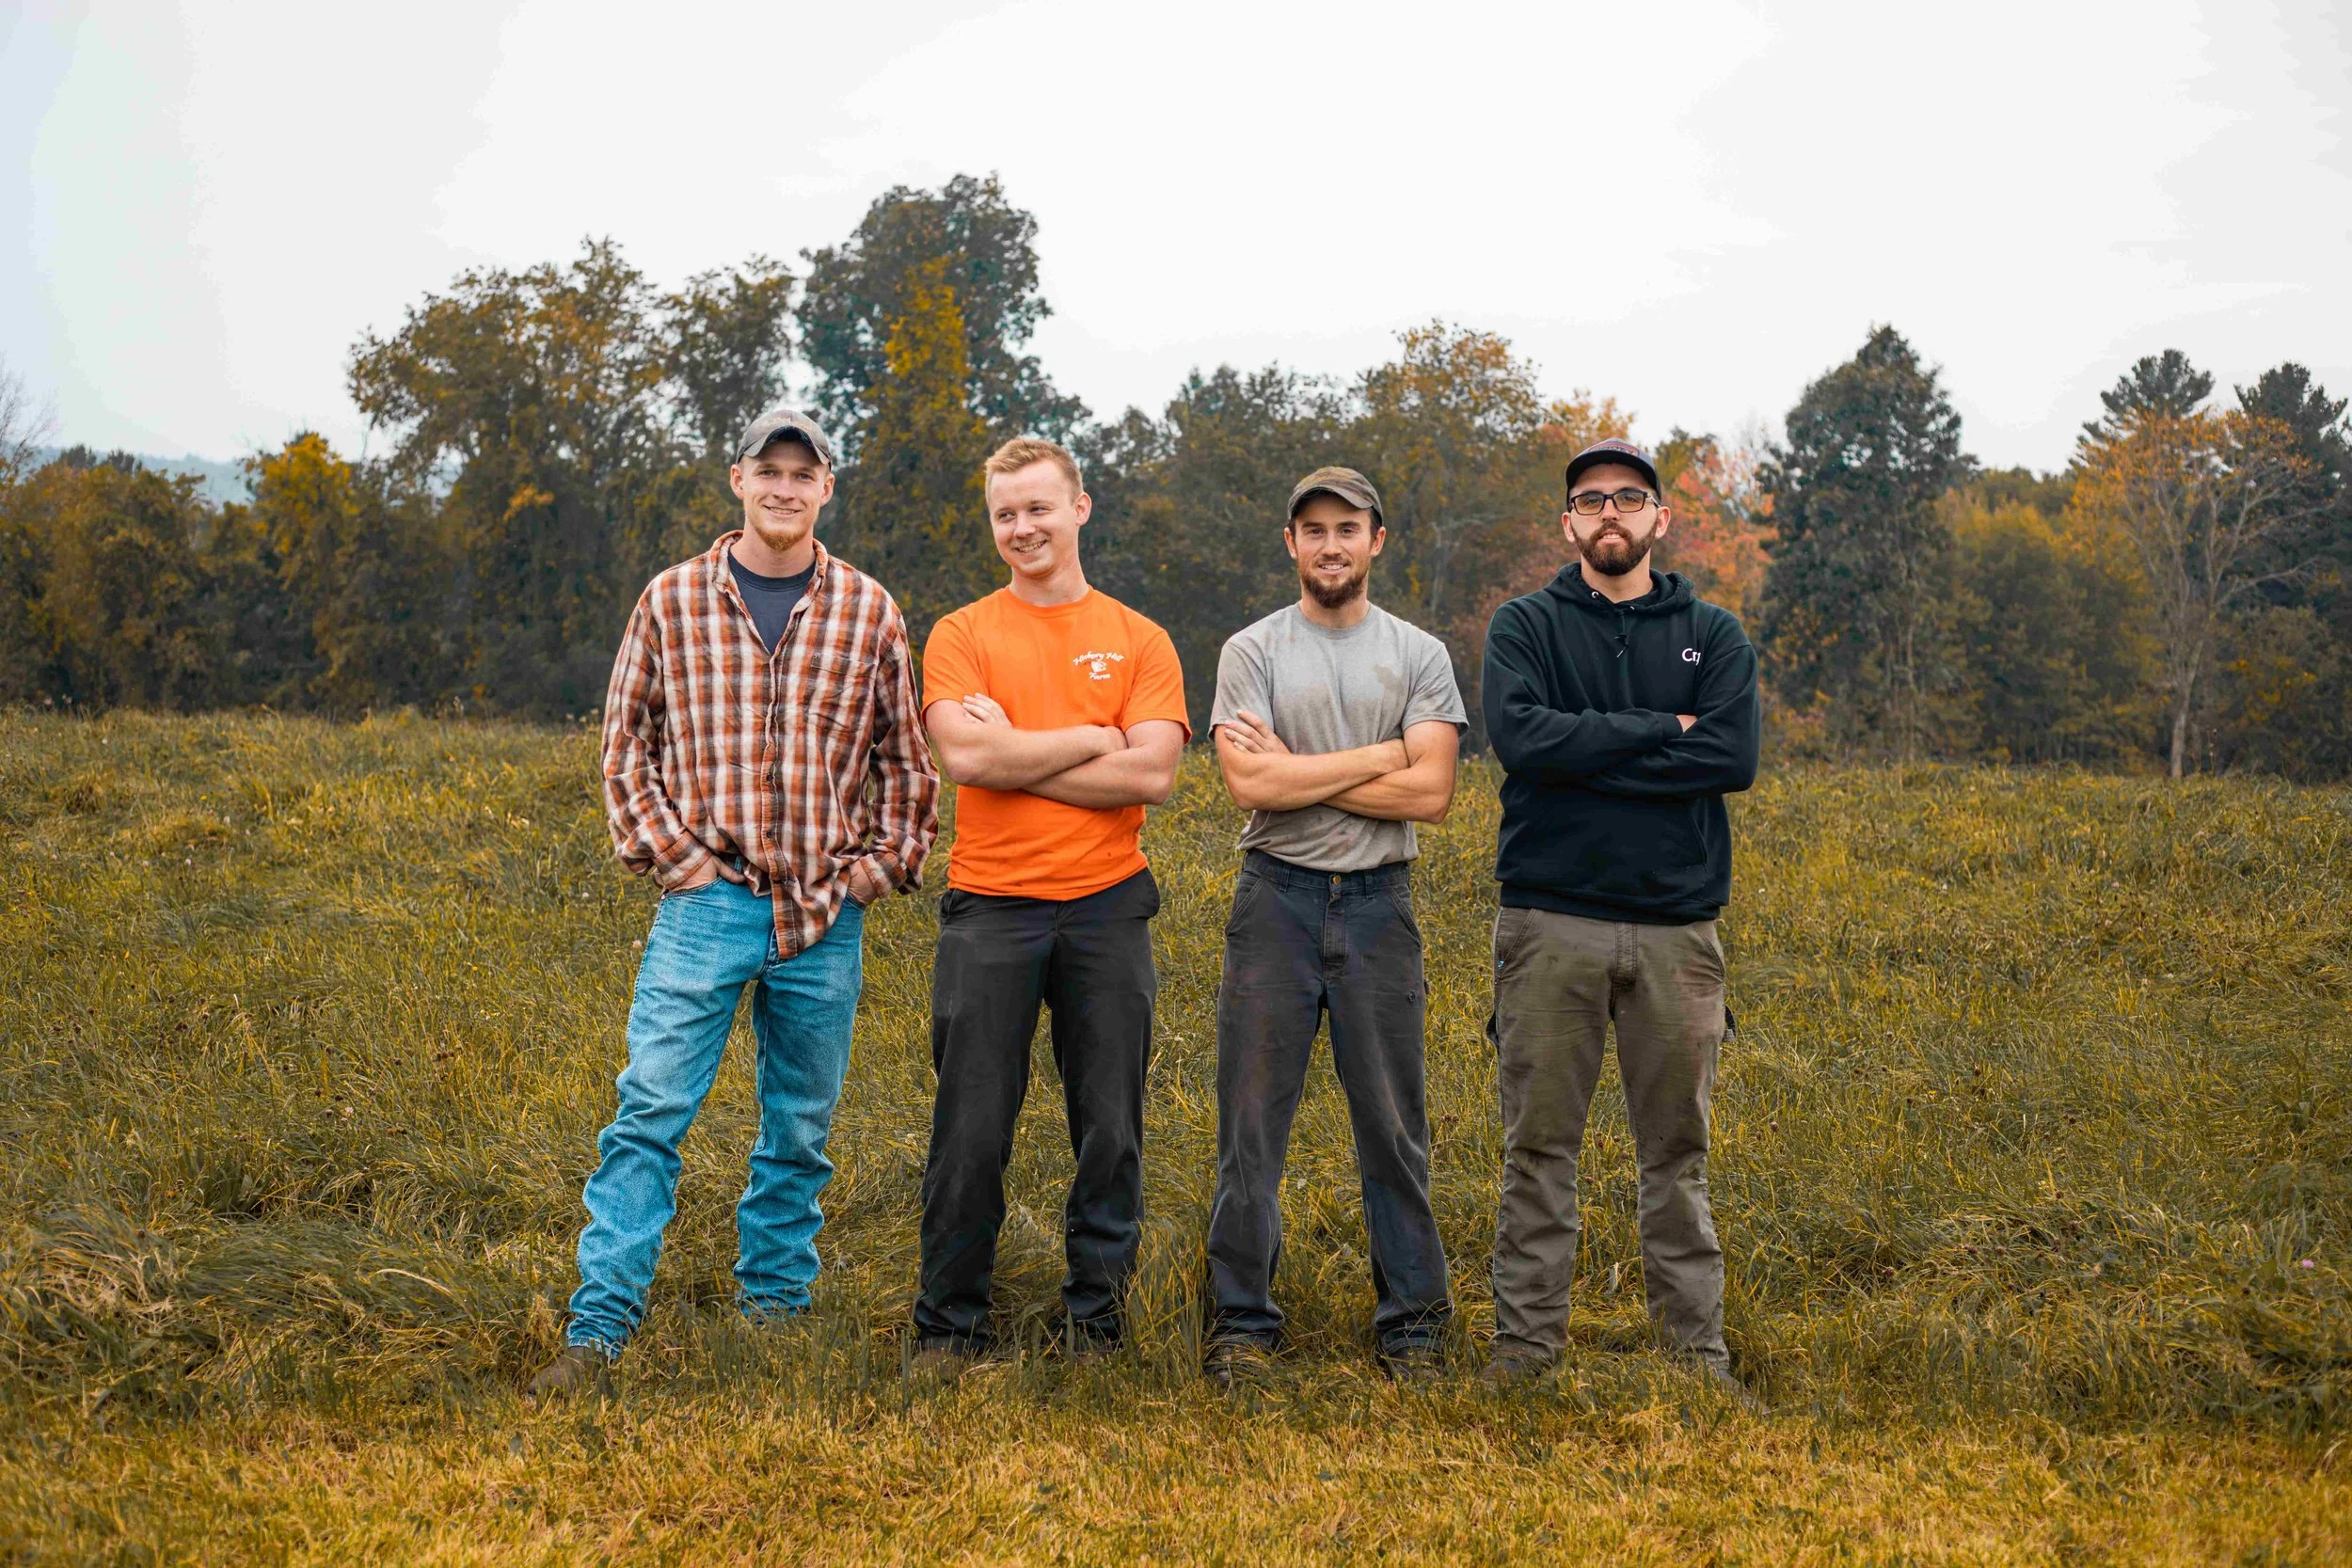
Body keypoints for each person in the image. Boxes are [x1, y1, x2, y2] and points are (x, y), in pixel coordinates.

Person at [529, 408, 939, 1401]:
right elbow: (624, 745)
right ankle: (598, 1331)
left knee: (798, 1127)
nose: (786, 487)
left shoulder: (867, 609)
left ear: (826, 488)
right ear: (738, 480)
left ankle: (773, 1318)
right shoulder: (671, 600)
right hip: (706, 902)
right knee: (649, 1114)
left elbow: (905, 764)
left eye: (804, 472)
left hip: (821, 914)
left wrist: (869, 872)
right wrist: (679, 861)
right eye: (770, 469)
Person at [1479, 436, 1761, 1397]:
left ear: (1658, 518)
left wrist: (1585, 747)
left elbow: (1729, 758)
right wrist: (1659, 728)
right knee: (1537, 1150)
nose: (1610, 513)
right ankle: (1524, 1362)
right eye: (1591, 499)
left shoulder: (1713, 634)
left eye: (1628, 498)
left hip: (1679, 929)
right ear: (1568, 521)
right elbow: (1521, 740)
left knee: (1676, 1156)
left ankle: (1695, 1361)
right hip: (1547, 921)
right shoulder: (1524, 624)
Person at [912, 436, 1189, 1371]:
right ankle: (948, 1326)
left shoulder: (1141, 636)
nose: (1022, 527)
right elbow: (968, 761)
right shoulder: (959, 634)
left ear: (1080, 506)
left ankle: (1096, 1326)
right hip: (989, 908)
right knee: (970, 1130)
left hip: (1107, 908)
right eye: (1005, 514)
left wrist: (1024, 751)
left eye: (1038, 506)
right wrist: (1084, 737)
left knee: (1110, 1127)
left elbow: (1151, 771)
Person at [1203, 467, 1466, 1386]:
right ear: (1290, 542)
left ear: (1376, 540)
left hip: (1378, 903)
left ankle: (1415, 1333)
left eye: (1345, 528)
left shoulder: (1419, 654)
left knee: (1393, 1128)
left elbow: (1431, 793)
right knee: (1250, 1127)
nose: (1329, 544)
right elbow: (1251, 785)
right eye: (1311, 529)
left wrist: (1304, 768)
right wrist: (1382, 753)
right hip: (1272, 897)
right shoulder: (1251, 650)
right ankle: (1240, 1328)